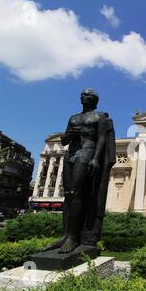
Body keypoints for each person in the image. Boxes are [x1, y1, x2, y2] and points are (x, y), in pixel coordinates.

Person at [46, 88, 116, 253]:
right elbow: (64, 141)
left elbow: (102, 139)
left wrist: (95, 158)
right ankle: (66, 234)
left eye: (87, 95)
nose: (83, 96)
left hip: (87, 151)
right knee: (68, 194)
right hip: (71, 153)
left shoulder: (99, 117)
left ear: (94, 99)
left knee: (77, 193)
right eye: (82, 94)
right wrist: (69, 134)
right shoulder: (73, 118)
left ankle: (73, 237)